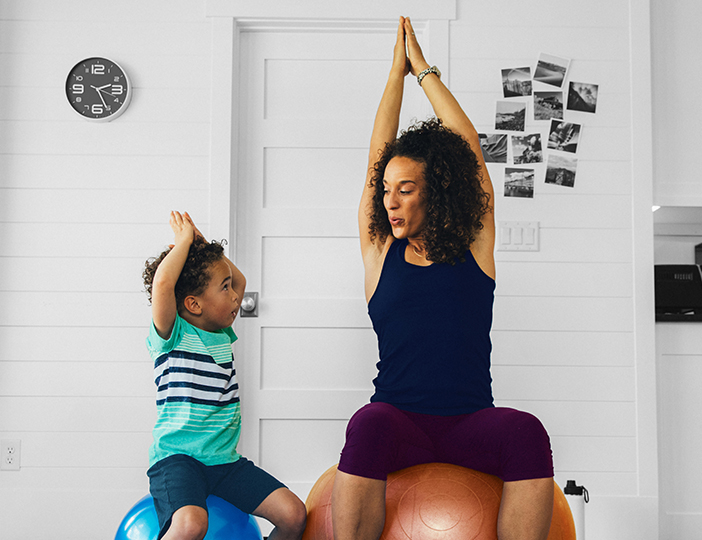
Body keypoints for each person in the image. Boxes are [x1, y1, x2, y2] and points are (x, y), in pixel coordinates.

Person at [331, 17, 555, 540]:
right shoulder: (379, 253)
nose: (390, 200)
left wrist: (422, 71)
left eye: (405, 188)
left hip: (470, 422)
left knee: (527, 430)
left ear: (435, 192)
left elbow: (469, 147)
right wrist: (393, 76)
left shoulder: (474, 250)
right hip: (399, 422)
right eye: (387, 190)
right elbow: (373, 163)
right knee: (367, 422)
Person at [142, 211, 306, 540]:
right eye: (225, 288)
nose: (236, 296)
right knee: (191, 525)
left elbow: (240, 278)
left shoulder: (221, 332)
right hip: (178, 461)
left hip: (225, 462)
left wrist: (204, 246)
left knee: (294, 514)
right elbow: (164, 284)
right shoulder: (172, 333)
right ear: (193, 304)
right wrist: (186, 242)